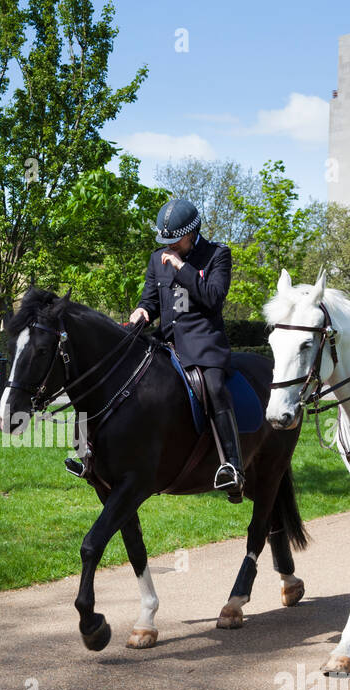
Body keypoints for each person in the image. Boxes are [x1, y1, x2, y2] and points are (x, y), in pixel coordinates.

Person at [129, 198, 243, 501]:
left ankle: (232, 465)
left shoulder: (217, 255)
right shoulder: (157, 259)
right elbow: (150, 300)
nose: (169, 246)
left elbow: (213, 298)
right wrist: (142, 311)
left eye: (174, 240)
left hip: (204, 343)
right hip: (166, 340)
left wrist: (183, 268)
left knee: (216, 386)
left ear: (192, 233)